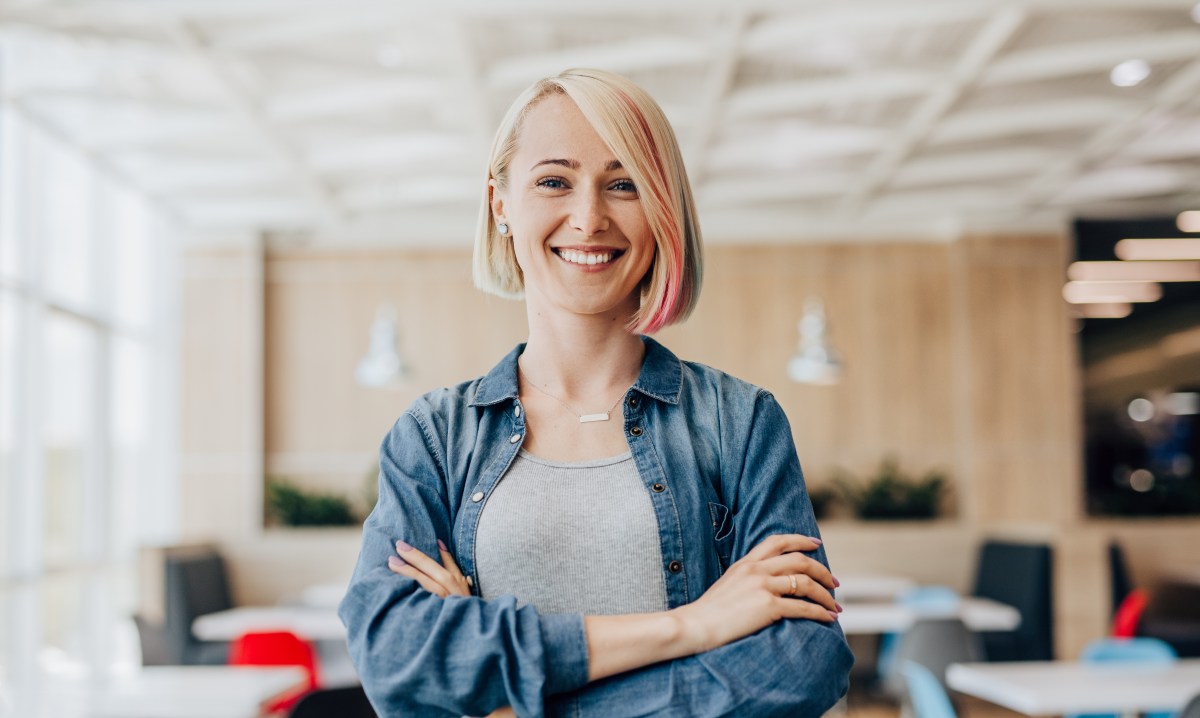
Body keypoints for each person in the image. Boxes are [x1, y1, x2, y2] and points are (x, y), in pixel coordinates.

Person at [339, 68, 853, 717]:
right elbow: (396, 661)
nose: (589, 217)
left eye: (624, 184)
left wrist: (505, 691)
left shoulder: (741, 423)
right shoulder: (434, 437)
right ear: (501, 203)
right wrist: (691, 626)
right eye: (554, 181)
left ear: (663, 209)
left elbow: (803, 664)